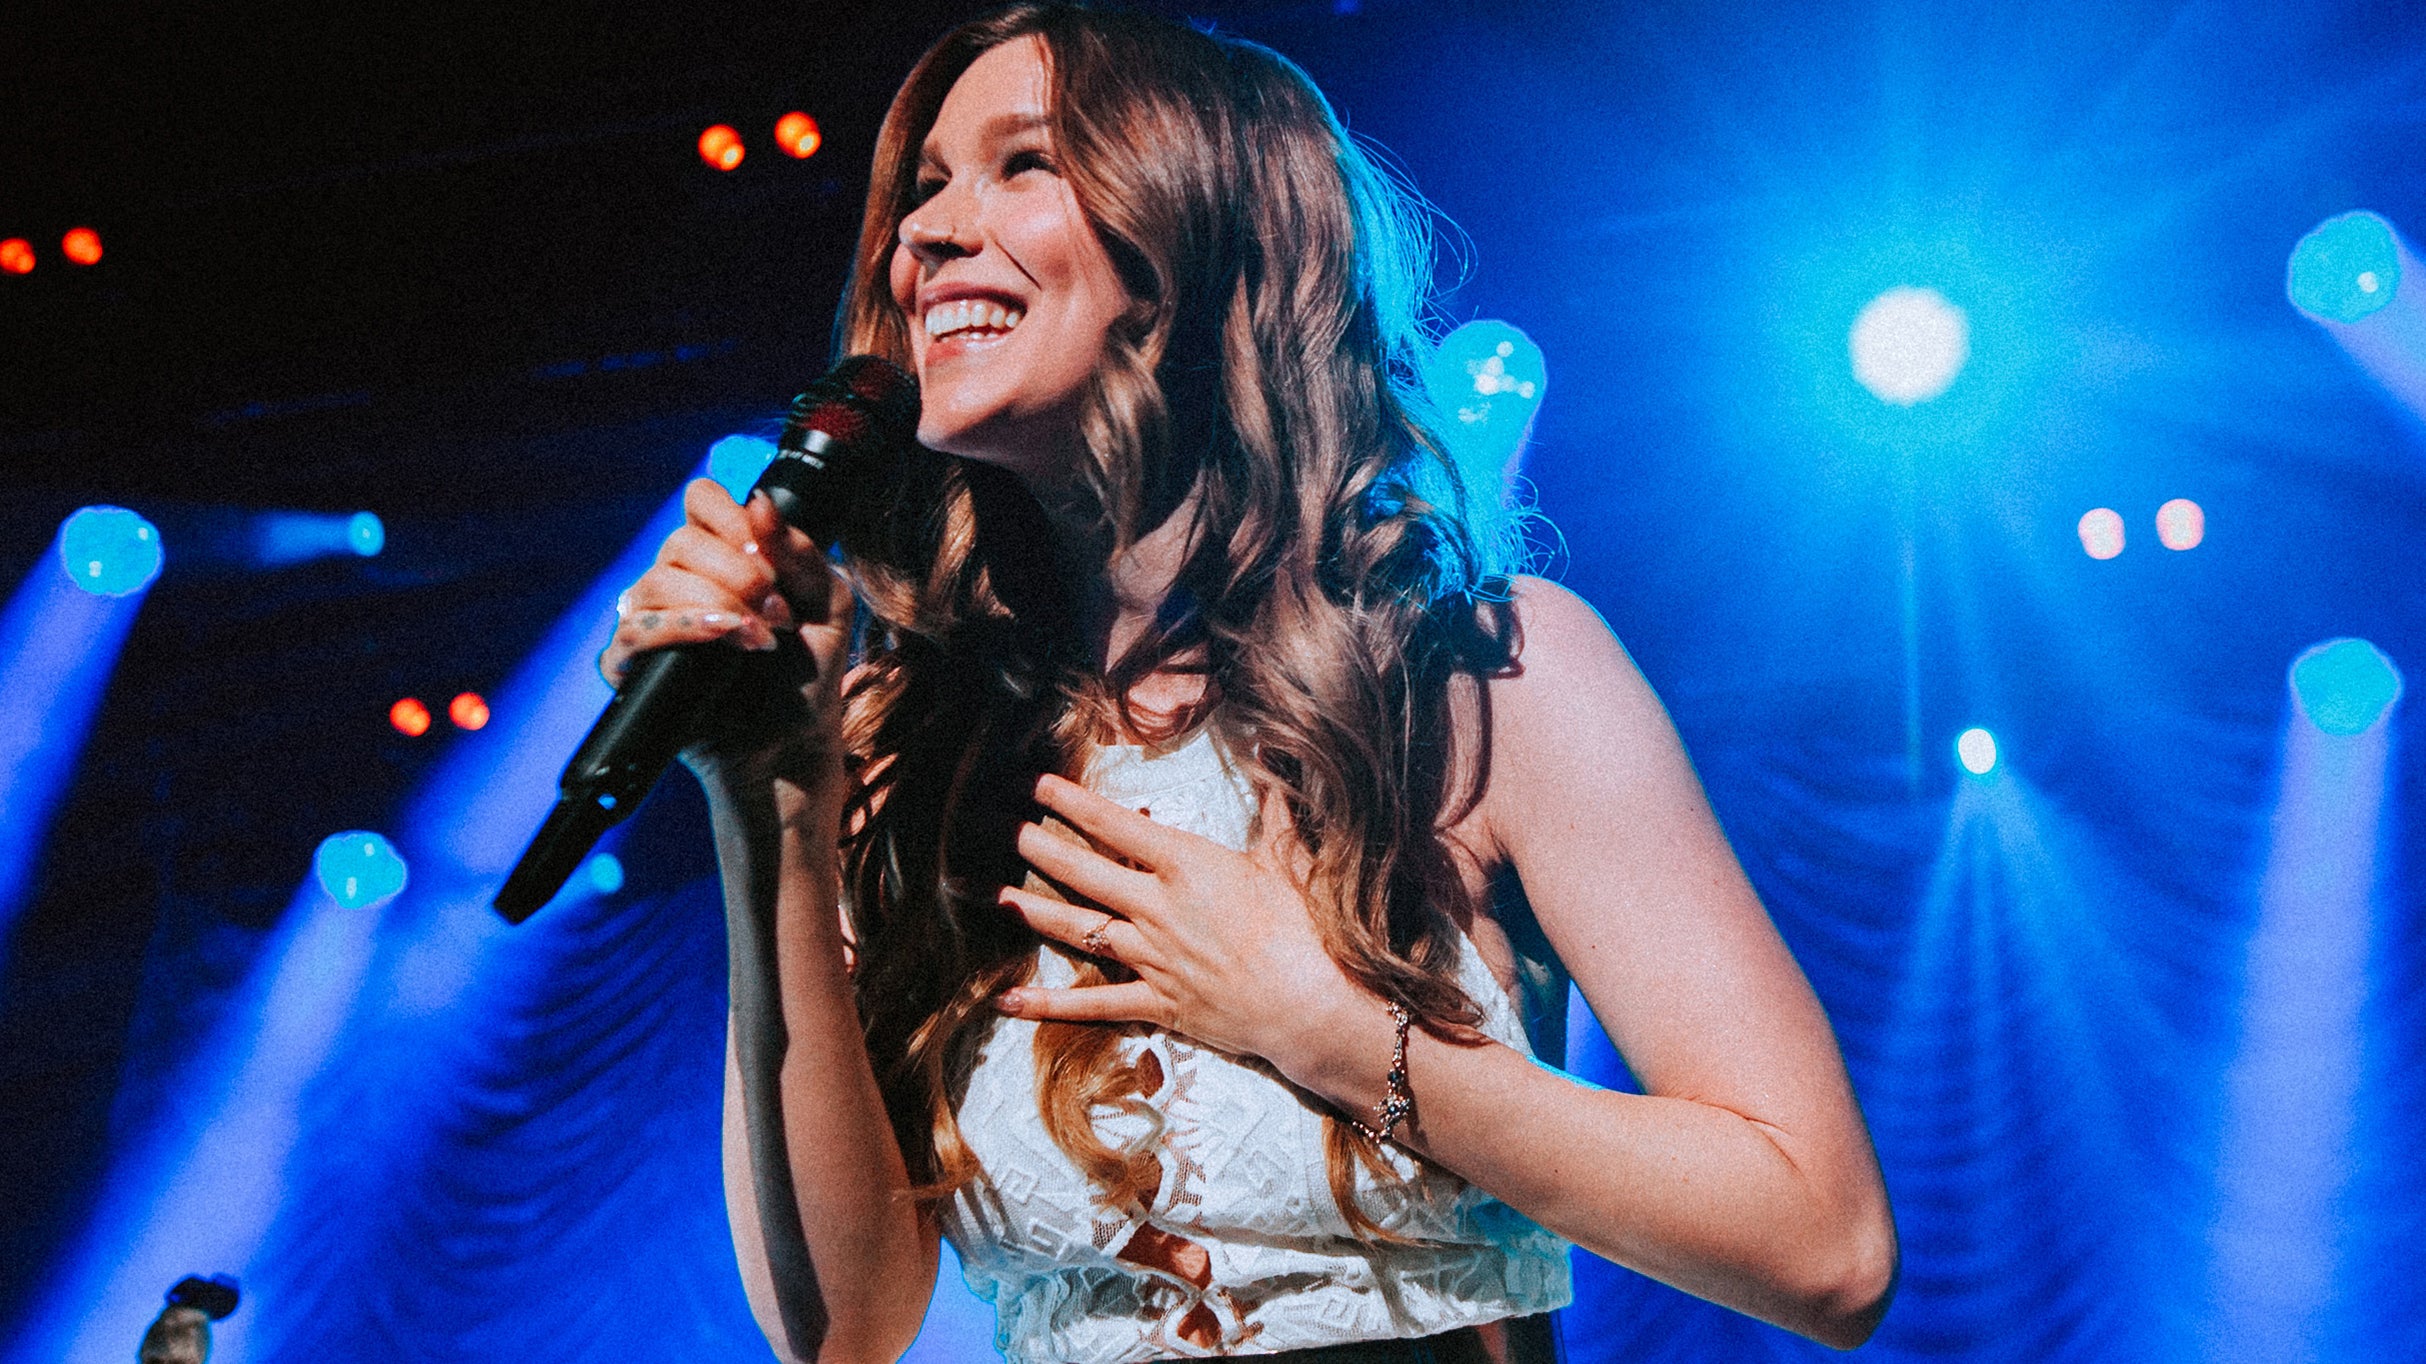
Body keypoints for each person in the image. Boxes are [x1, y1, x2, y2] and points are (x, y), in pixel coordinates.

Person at [600, 4, 1897, 1361]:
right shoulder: (910, 745)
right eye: (924, 187)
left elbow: (1824, 1244)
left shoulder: (1481, 678)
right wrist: (773, 811)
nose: (923, 232)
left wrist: (1330, 1032)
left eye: (1022, 163)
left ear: (1203, 232)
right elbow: (840, 1331)